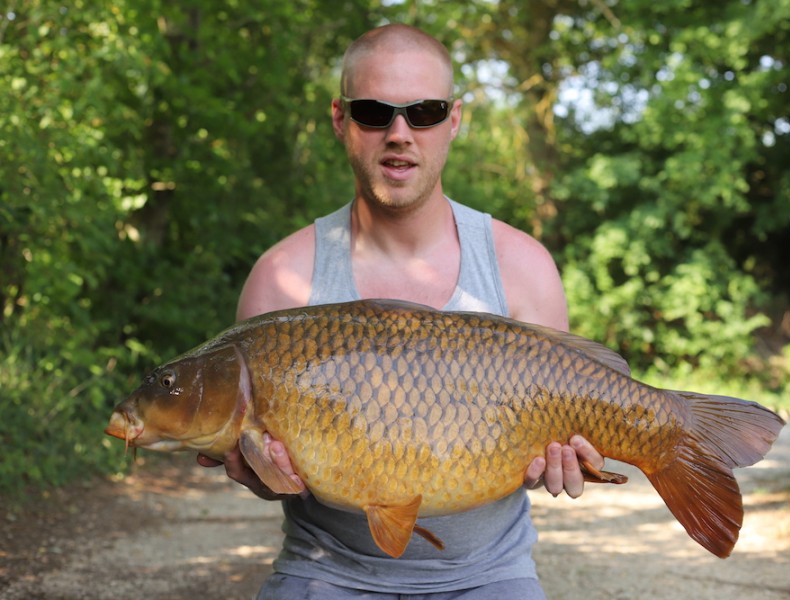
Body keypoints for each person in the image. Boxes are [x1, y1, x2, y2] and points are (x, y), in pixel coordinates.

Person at [197, 23, 606, 599]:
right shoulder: (281, 279)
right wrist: (262, 475)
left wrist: (566, 460)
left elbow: (548, 448)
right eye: (373, 111)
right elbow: (272, 477)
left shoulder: (522, 266)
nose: (399, 133)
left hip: (490, 576)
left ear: (455, 120)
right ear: (340, 119)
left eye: (425, 111)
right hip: (325, 571)